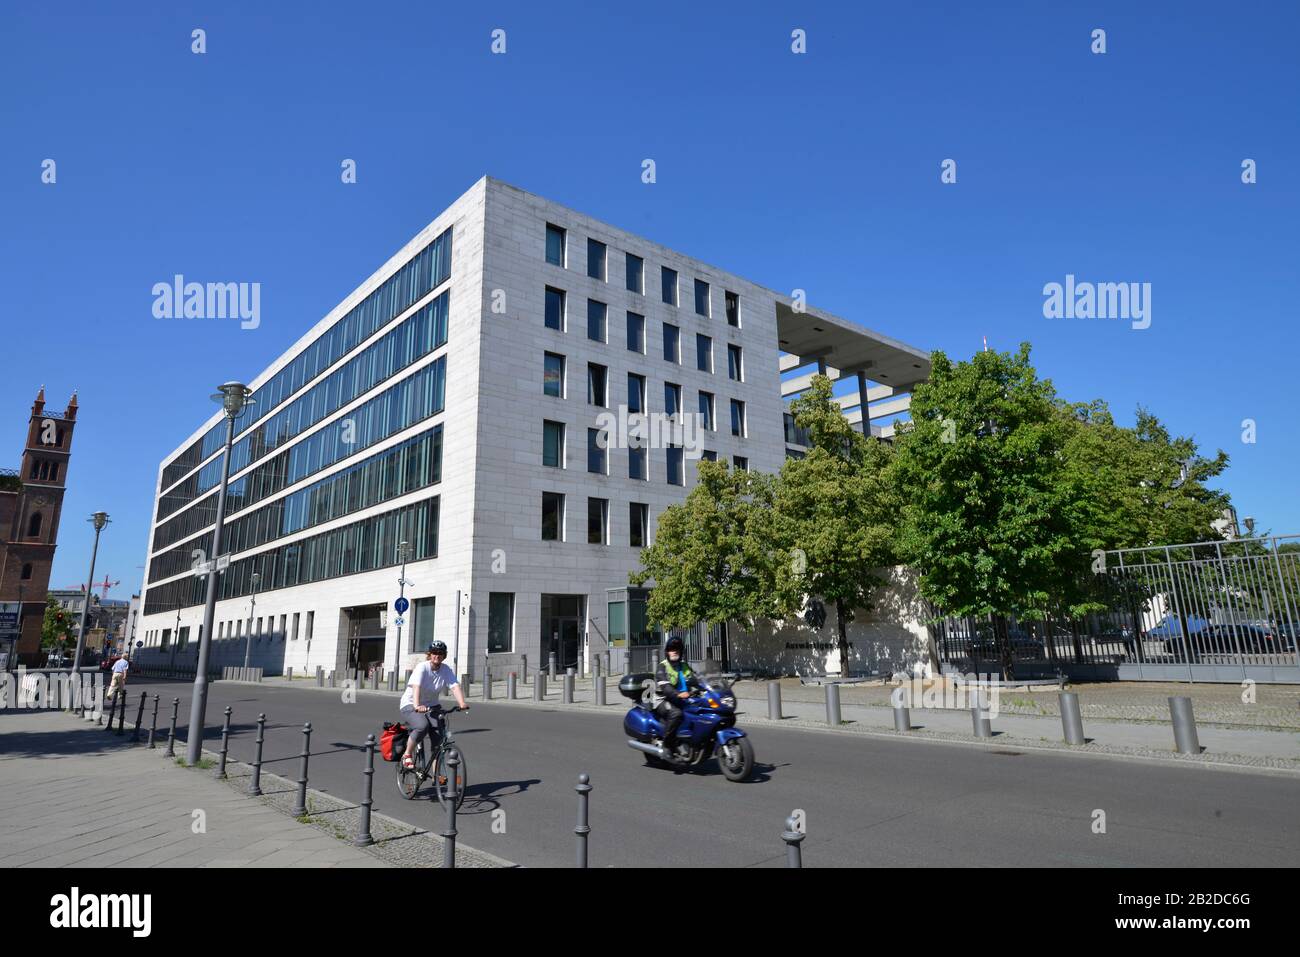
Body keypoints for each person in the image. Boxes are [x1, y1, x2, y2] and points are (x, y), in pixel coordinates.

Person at [398, 641, 467, 769]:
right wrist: (417, 705)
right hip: (410, 703)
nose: (437, 655)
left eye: (440, 653)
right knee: (422, 726)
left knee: (439, 738)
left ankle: (436, 773)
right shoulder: (422, 667)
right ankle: (407, 754)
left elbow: (455, 686)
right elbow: (416, 686)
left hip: (432, 706)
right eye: (434, 653)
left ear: (444, 656)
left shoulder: (445, 669)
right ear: (430, 654)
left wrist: (462, 703)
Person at [653, 636, 706, 754]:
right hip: (663, 699)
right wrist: (679, 694)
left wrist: (709, 688)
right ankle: (667, 745)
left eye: (677, 648)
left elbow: (695, 679)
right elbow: (666, 688)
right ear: (667, 651)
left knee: (702, 710)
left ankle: (693, 741)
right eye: (672, 648)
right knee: (676, 714)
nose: (675, 651)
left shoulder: (684, 666)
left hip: (683, 698)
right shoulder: (663, 666)